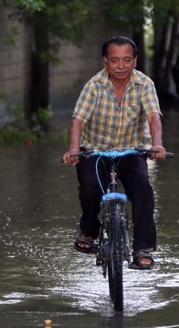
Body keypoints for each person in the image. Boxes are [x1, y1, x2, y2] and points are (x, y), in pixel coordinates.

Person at [61, 35, 167, 269]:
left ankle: (142, 248)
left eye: (127, 60)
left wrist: (157, 144)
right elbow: (78, 120)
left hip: (130, 151)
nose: (121, 66)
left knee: (142, 186)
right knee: (88, 186)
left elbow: (153, 116)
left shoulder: (144, 84)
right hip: (95, 152)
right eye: (115, 60)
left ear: (135, 61)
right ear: (105, 62)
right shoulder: (94, 86)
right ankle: (88, 232)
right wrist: (74, 149)